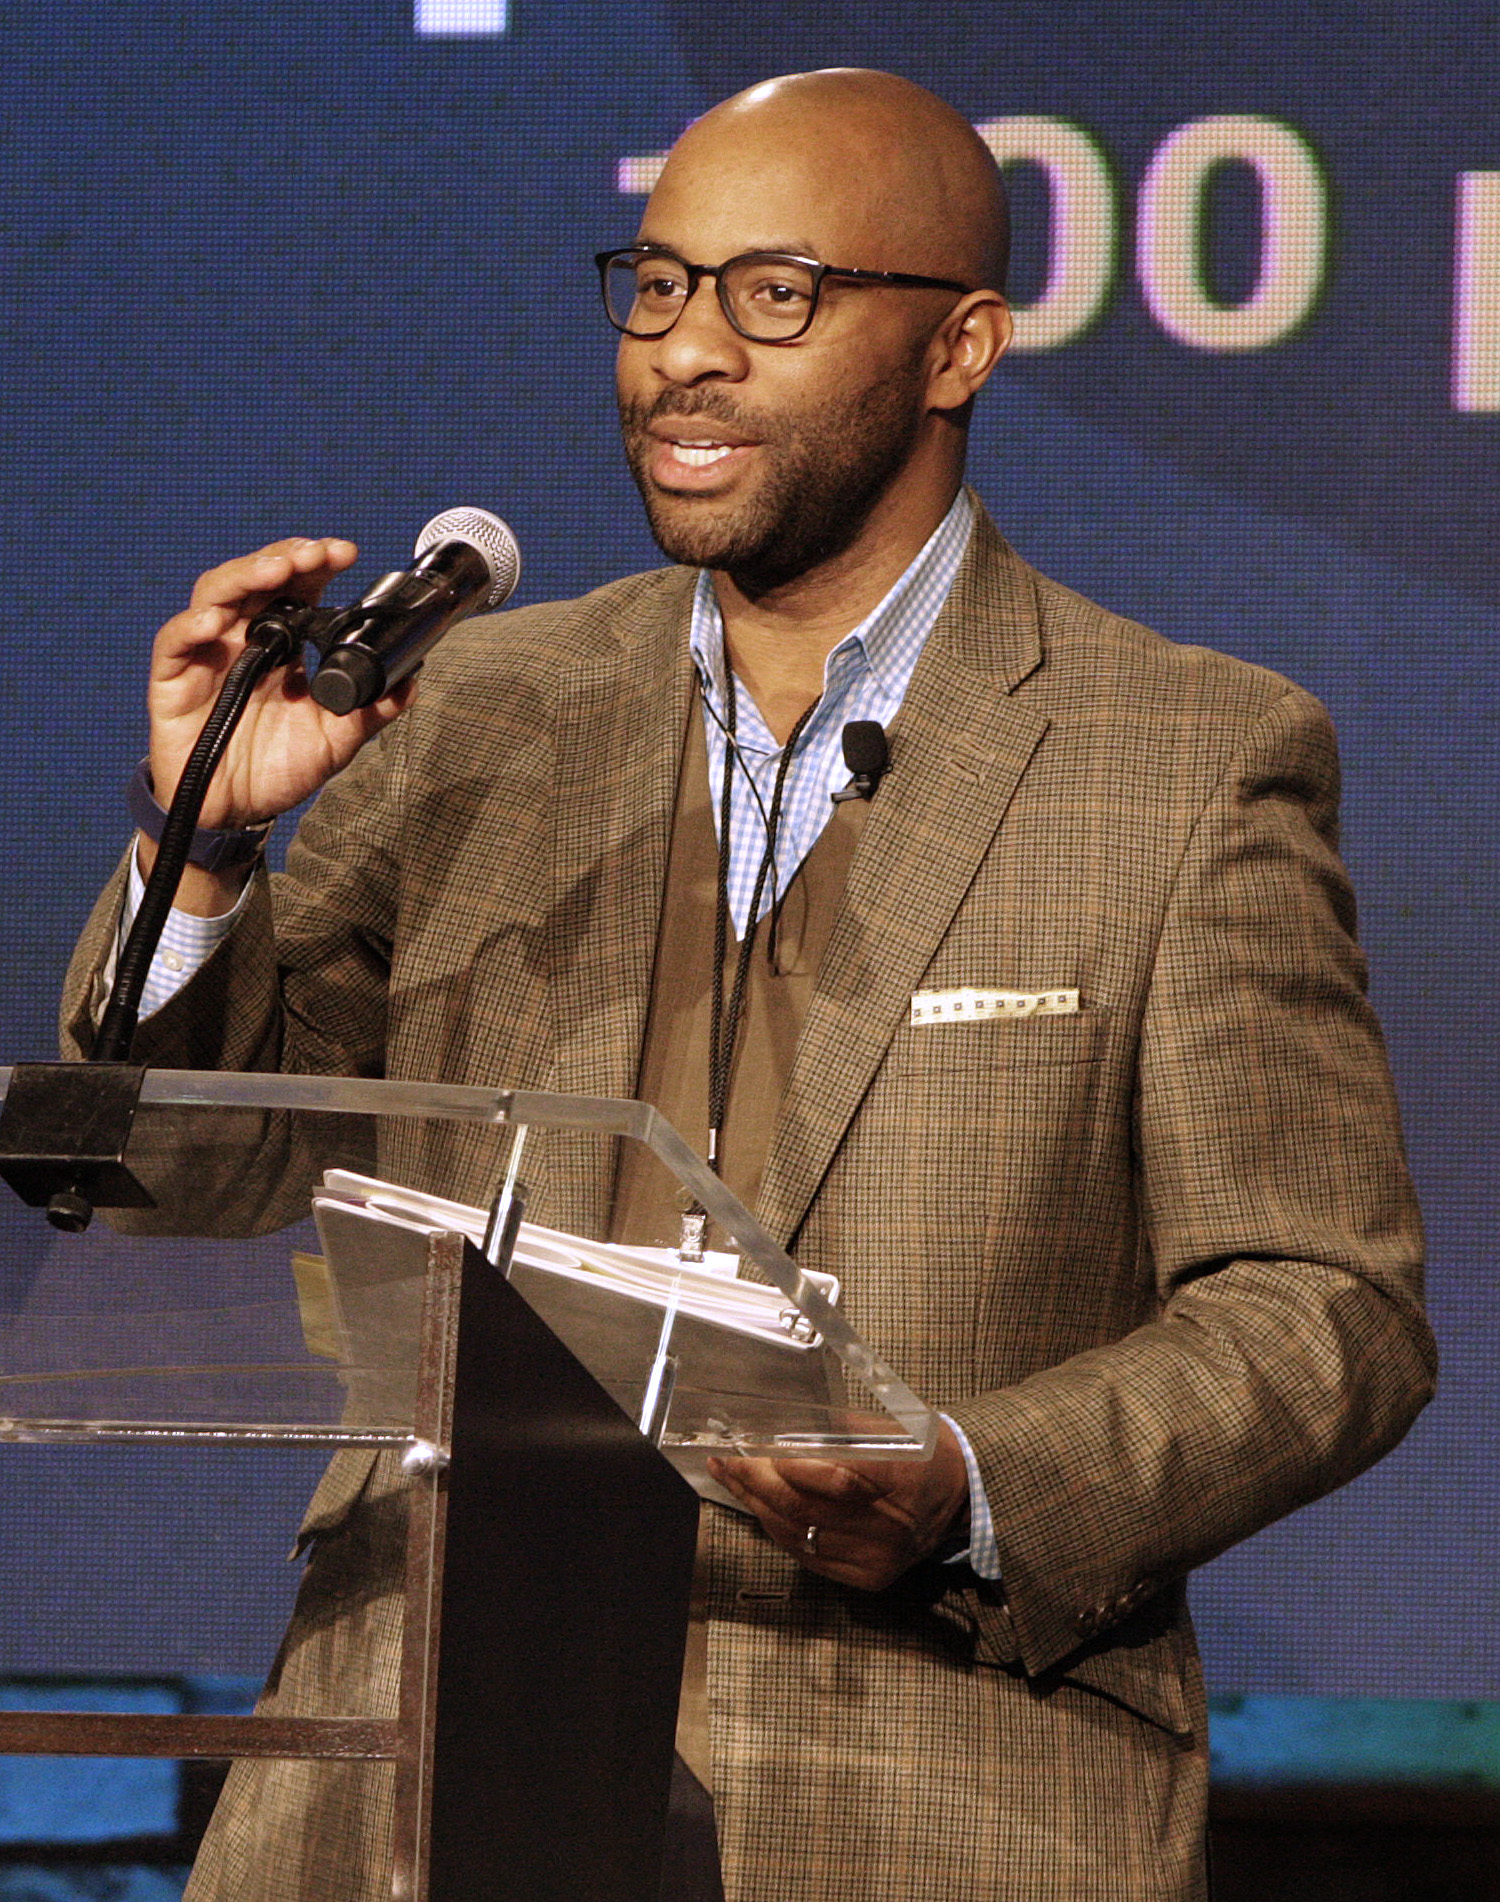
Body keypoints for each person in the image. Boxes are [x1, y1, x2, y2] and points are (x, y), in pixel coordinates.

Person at [62, 68, 1433, 1902]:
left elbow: (1326, 1306)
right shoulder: (480, 707)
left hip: (928, 1800)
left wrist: (967, 1477)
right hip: (415, 1782)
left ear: (961, 346)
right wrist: (204, 847)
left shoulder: (1182, 757)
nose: (683, 354)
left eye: (771, 294)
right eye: (657, 285)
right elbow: (177, 1164)